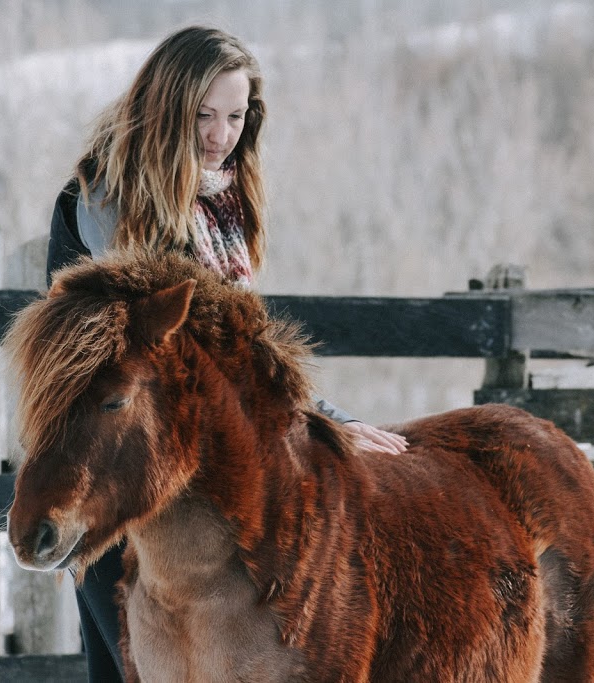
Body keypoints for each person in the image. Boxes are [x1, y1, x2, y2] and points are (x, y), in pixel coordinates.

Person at [44, 25, 407, 681]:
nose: (219, 133)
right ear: (167, 107)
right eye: (203, 114)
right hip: (111, 469)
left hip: (181, 474)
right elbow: (212, 349)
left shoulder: (215, 203)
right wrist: (325, 419)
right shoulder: (106, 200)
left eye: (235, 115)